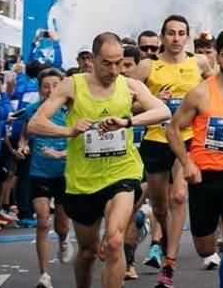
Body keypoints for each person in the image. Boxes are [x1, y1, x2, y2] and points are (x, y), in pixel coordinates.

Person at [29, 33, 172, 288]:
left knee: (114, 242)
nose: (114, 69)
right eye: (107, 63)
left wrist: (127, 122)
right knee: (87, 252)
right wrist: (69, 131)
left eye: (119, 62)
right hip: (83, 179)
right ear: (92, 60)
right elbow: (35, 123)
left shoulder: (129, 85)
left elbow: (162, 110)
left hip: (122, 172)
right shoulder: (72, 85)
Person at [168, 28, 223, 288]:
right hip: (203, 176)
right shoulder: (200, 93)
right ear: (217, 57)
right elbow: (172, 129)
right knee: (205, 249)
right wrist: (187, 163)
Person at [130, 14, 212, 285]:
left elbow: (218, 89)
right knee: (160, 206)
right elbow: (125, 105)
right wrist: (153, 103)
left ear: (187, 36)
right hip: (156, 138)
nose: (176, 38)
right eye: (171, 33)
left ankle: (170, 262)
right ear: (162, 36)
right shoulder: (146, 67)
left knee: (178, 196)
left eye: (181, 33)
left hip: (187, 138)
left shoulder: (198, 62)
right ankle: (164, 237)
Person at [21, 68, 74, 288]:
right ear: (40, 89)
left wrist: (62, 153)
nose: (51, 90)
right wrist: (22, 144)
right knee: (43, 222)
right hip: (39, 173)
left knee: (61, 226)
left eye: (55, 85)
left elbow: (80, 142)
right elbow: (25, 133)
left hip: (64, 173)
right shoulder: (33, 111)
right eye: (46, 86)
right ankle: (45, 275)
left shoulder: (71, 110)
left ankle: (63, 239)